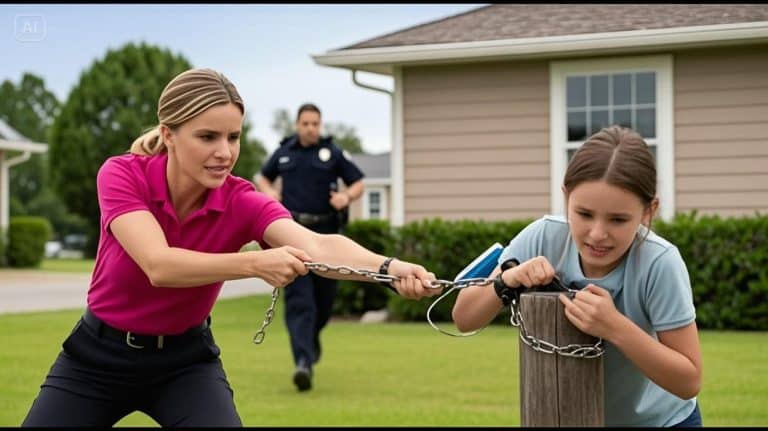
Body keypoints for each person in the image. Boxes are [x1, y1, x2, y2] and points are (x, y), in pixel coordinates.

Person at [21, 68, 441, 427]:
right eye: (207, 137)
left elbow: (314, 243)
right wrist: (254, 263)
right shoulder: (121, 175)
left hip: (185, 365)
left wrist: (390, 267)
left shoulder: (240, 199)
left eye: (233, 137)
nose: (225, 153)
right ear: (168, 134)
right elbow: (158, 265)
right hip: (96, 359)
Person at [451, 126, 703, 427]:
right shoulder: (543, 236)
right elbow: (464, 318)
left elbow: (689, 380)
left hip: (663, 422)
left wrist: (614, 327)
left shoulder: (660, 263)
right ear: (566, 196)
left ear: (649, 212)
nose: (597, 234)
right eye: (584, 214)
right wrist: (508, 280)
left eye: (618, 219)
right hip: (569, 418)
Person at [255, 103, 365, 392]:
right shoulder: (284, 153)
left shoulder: (332, 153)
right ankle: (302, 363)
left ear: (320, 125)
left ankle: (310, 342)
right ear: (297, 125)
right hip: (293, 236)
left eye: (315, 123)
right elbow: (262, 177)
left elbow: (358, 183)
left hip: (327, 236)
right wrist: (271, 193)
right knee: (300, 303)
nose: (310, 128)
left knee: (323, 305)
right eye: (305, 123)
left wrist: (345, 197)